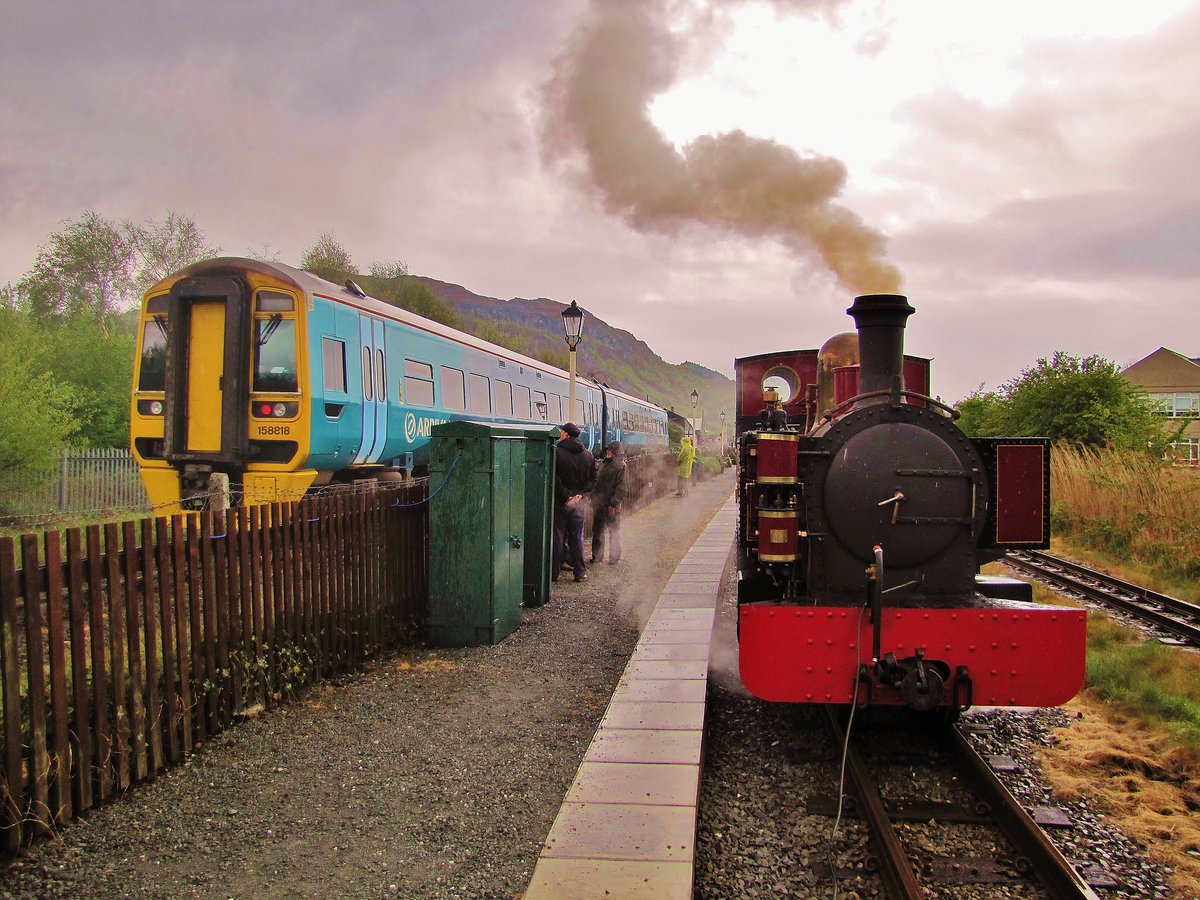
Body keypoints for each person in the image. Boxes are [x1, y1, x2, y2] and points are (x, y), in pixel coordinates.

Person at [552, 422, 596, 583]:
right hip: (579, 503)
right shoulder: (589, 455)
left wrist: (567, 497)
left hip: (561, 502)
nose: (560, 435)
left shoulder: (557, 453)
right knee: (577, 537)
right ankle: (580, 572)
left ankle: (554, 573)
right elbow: (593, 480)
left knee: (558, 536)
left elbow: (555, 479)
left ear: (566, 434)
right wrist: (580, 496)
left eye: (562, 432)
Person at [591, 441, 627, 564]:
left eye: (610, 450)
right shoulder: (603, 464)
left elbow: (621, 488)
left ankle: (614, 557)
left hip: (611, 505)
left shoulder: (621, 467)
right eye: (607, 450)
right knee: (598, 530)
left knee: (614, 531)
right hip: (600, 502)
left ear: (615, 453)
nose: (607, 452)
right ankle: (597, 556)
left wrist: (614, 503)